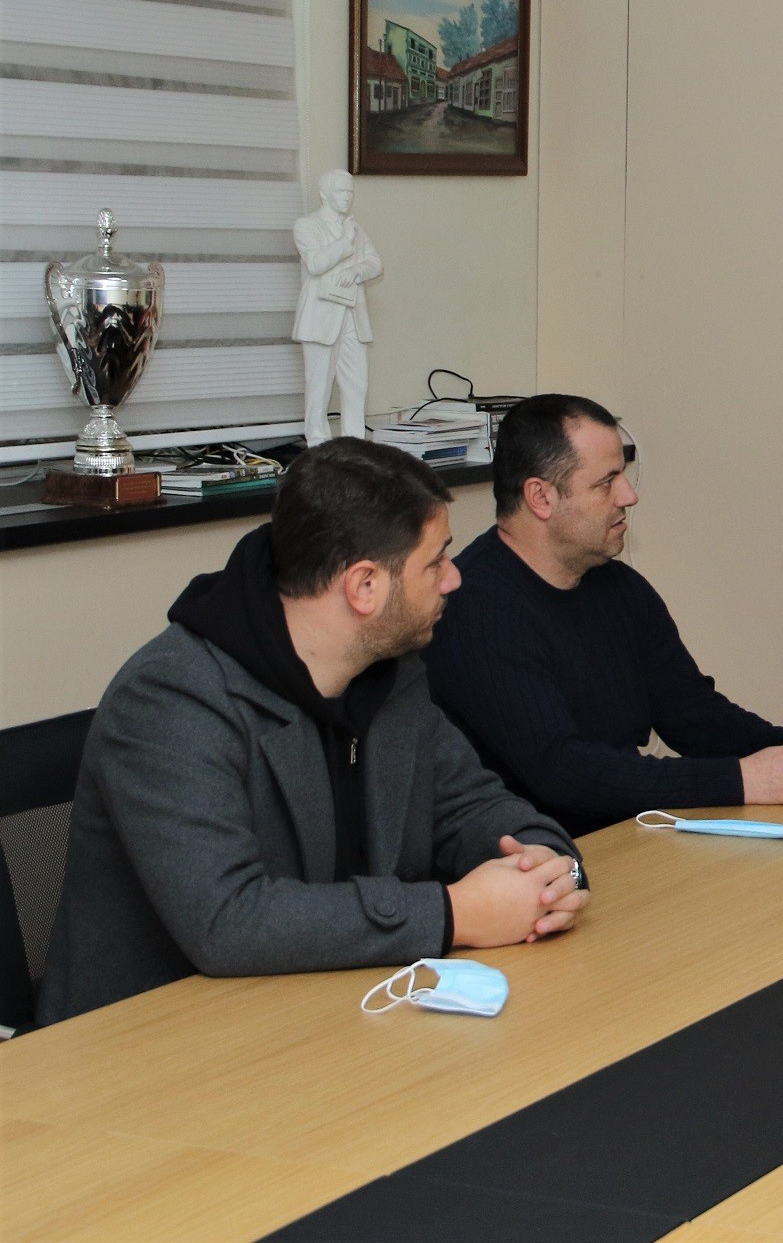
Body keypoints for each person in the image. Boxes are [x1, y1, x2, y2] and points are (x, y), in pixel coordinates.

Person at [38, 440, 587, 1027]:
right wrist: (455, 913)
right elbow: (228, 922)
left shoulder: (388, 677)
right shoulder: (171, 700)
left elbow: (473, 805)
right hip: (146, 1051)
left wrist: (547, 867)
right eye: (435, 561)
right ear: (364, 587)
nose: (455, 579)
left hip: (321, 1016)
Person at [423, 394, 783, 836]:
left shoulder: (618, 586)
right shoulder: (473, 609)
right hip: (532, 866)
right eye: (606, 482)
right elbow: (562, 773)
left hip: (630, 840)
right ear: (541, 497)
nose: (629, 495)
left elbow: (692, 714)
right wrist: (743, 779)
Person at [293, 169, 381, 445]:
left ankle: (355, 443)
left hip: (353, 316)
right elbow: (316, 263)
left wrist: (356, 271)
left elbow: (375, 263)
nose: (347, 197)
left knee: (357, 384)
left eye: (350, 192)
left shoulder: (356, 228)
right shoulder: (307, 225)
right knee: (318, 386)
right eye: (341, 192)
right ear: (325, 194)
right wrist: (344, 242)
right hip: (321, 318)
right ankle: (317, 443)